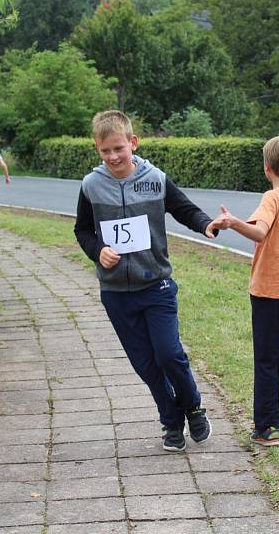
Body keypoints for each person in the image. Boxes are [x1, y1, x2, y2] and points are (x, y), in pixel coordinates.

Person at [74, 110, 217, 452]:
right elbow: (82, 229)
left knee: (169, 354)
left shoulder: (155, 178)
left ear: (132, 143)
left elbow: (185, 209)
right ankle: (171, 422)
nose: (112, 157)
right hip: (116, 293)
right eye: (105, 151)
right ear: (97, 149)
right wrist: (99, 251)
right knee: (146, 365)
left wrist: (207, 225)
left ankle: (194, 406)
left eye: (118, 149)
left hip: (156, 286)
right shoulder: (91, 185)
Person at [209, 135, 279, 446]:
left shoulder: (272, 198)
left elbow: (260, 232)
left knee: (266, 360)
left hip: (267, 293)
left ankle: (268, 428)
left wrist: (233, 222)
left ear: (267, 167)